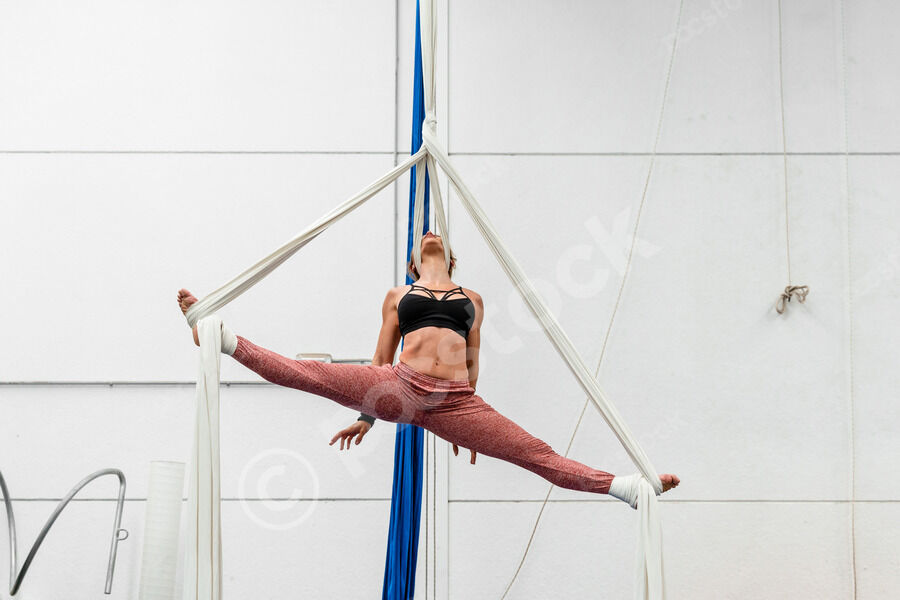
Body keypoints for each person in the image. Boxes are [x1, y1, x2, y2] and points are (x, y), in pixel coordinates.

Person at [176, 231, 679, 507]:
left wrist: (472, 427)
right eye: (422, 237)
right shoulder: (399, 294)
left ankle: (626, 487)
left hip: (456, 403)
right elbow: (380, 358)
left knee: (534, 453)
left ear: (450, 258)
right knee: (309, 374)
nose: (430, 234)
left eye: (438, 235)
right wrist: (367, 416)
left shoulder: (472, 298)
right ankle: (221, 337)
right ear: (414, 261)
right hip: (400, 384)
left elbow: (473, 363)